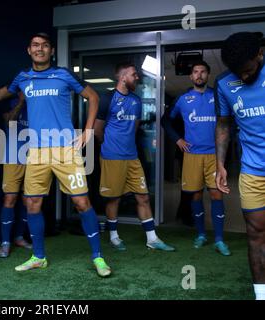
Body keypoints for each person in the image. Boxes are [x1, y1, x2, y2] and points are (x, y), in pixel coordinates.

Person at [0, 32, 111, 277]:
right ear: (29, 50)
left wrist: (88, 130)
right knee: (32, 204)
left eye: (45, 46)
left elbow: (93, 97)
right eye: (35, 45)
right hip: (35, 151)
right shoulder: (23, 78)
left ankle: (98, 257)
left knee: (81, 202)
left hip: (65, 150)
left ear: (51, 51)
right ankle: (38, 256)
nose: (40, 49)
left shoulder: (63, 75)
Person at [94, 62, 175, 252]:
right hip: (112, 157)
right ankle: (114, 237)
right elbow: (98, 130)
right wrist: (109, 146)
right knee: (114, 199)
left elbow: (135, 126)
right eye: (133, 74)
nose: (137, 77)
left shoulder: (137, 101)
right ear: (122, 77)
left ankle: (152, 239)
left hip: (132, 157)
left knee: (143, 197)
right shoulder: (107, 98)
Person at [161, 61, 231, 256]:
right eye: (195, 72)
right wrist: (178, 140)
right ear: (191, 77)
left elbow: (226, 123)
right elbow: (165, 120)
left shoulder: (217, 96)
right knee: (196, 195)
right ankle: (200, 234)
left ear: (208, 75)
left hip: (214, 155)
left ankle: (219, 239)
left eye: (203, 72)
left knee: (217, 194)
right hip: (192, 155)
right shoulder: (183, 99)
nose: (199, 75)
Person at [215, 31, 265, 300]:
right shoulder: (223, 83)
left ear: (260, 54)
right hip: (253, 170)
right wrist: (220, 164)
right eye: (238, 73)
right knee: (256, 233)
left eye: (247, 71)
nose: (243, 77)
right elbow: (223, 124)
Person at [0, 95, 32, 258]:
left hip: (33, 158)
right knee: (9, 199)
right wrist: (21, 103)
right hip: (12, 157)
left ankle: (19, 237)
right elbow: (8, 121)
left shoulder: (36, 106)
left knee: (28, 200)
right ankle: (5, 242)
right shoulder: (12, 103)